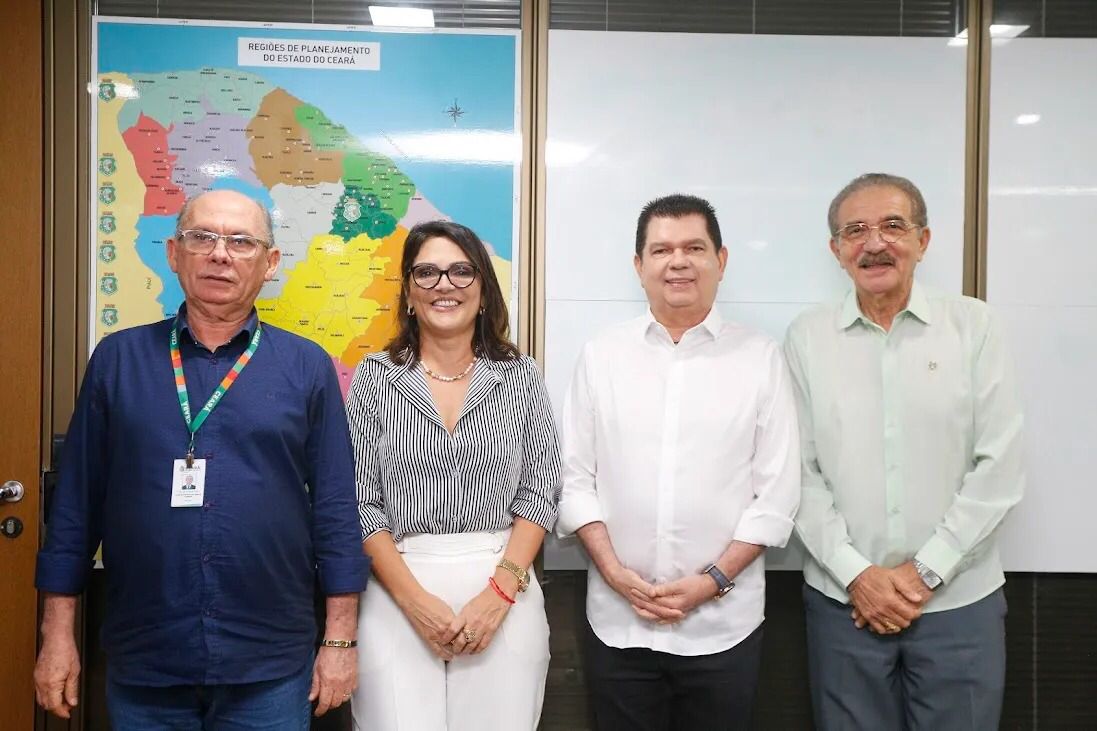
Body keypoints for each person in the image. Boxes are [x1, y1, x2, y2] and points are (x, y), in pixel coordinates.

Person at [33, 190, 368, 729]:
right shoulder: (117, 361)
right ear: (173, 252)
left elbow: (335, 511)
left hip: (270, 661)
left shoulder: (306, 367)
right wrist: (56, 638)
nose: (220, 254)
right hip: (146, 656)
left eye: (241, 241)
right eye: (202, 238)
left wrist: (340, 640)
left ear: (271, 262)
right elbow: (74, 511)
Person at [785, 173, 1025, 730]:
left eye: (894, 226)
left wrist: (924, 573)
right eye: (856, 230)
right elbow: (797, 472)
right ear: (836, 250)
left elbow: (999, 467)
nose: (875, 243)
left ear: (924, 240)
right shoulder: (806, 337)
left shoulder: (973, 326)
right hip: (844, 604)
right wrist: (858, 576)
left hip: (960, 603)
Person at [557, 194, 801, 730]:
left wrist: (712, 580)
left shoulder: (760, 358)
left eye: (694, 247)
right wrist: (616, 574)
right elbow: (574, 481)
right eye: (661, 249)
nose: (678, 261)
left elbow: (777, 495)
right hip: (618, 621)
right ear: (639, 265)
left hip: (723, 625)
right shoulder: (602, 356)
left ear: (722, 259)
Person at [345, 220, 560, 730]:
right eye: (428, 272)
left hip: (502, 583)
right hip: (398, 586)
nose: (445, 285)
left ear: (483, 291)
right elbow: (359, 502)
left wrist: (499, 595)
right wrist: (415, 602)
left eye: (462, 271)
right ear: (409, 294)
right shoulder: (375, 379)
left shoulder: (521, 376)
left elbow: (541, 493)